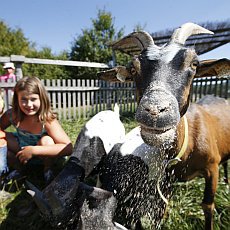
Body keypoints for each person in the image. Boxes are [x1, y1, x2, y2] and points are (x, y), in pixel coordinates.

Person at [0, 76, 73, 185]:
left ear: (41, 98)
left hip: (44, 156)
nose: (29, 105)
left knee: (46, 140)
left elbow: (68, 148)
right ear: (17, 99)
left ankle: (48, 171)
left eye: (33, 99)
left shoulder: (46, 119)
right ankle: (19, 170)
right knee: (2, 137)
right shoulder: (12, 115)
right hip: (22, 153)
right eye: (23, 100)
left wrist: (33, 150)